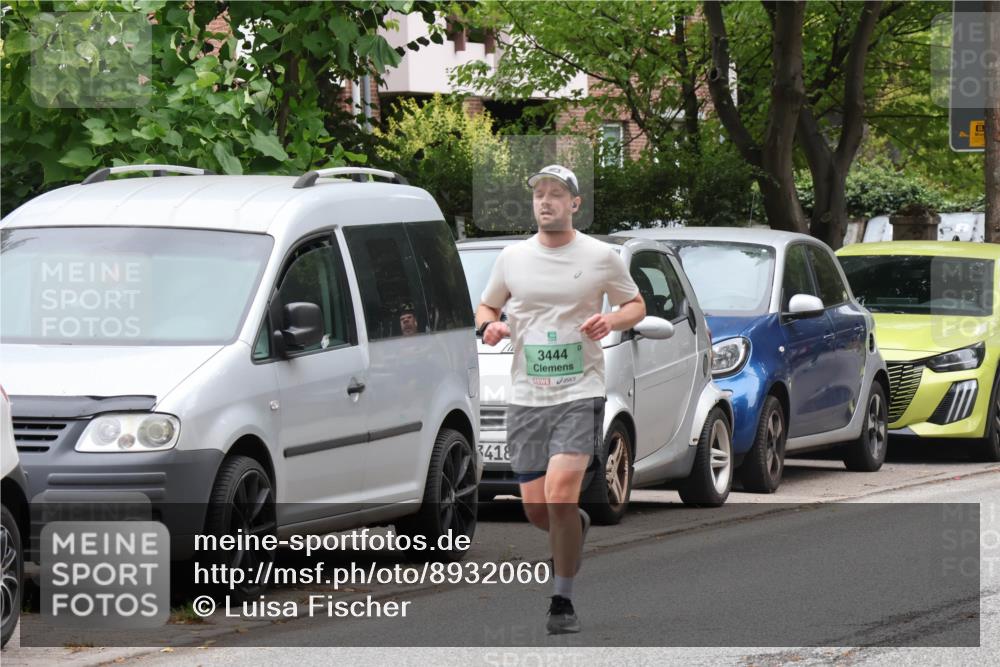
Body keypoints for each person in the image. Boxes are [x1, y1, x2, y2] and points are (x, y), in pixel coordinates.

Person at [475, 164, 645, 634]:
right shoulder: (512, 257)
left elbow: (636, 306)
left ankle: (561, 601)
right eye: (539, 195)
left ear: (575, 204)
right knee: (536, 509)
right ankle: (573, 528)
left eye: (556, 194)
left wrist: (610, 322)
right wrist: (490, 325)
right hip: (527, 395)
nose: (545, 201)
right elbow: (487, 305)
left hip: (580, 391)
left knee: (560, 495)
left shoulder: (601, 256)